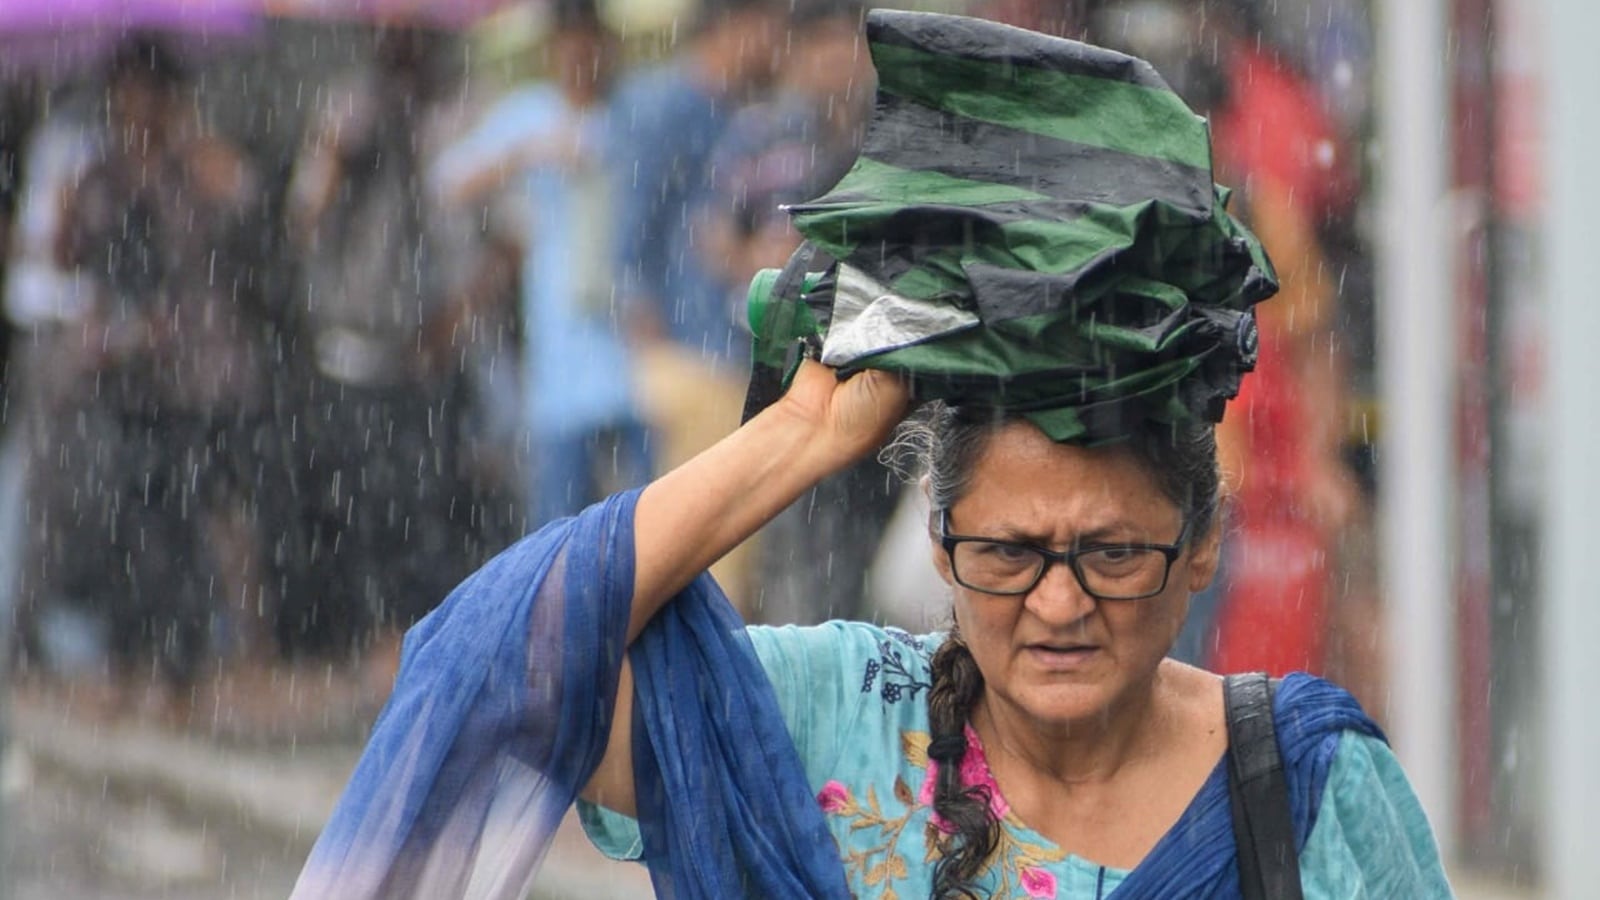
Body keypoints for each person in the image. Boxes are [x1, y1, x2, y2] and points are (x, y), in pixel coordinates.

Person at [291, 12, 1452, 899]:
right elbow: (497, 668)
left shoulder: (1305, 786)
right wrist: (797, 436)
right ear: (940, 547)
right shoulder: (830, 719)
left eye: (1110, 553)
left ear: (1199, 548)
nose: (1058, 602)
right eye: (1006, 550)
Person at [432, 0, 651, 529]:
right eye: (568, 45)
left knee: (653, 510)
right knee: (558, 520)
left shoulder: (632, 114)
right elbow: (447, 183)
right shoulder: (531, 114)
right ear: (553, 51)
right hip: (560, 349)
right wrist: (526, 153)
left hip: (634, 345)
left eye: (589, 43)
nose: (580, 56)